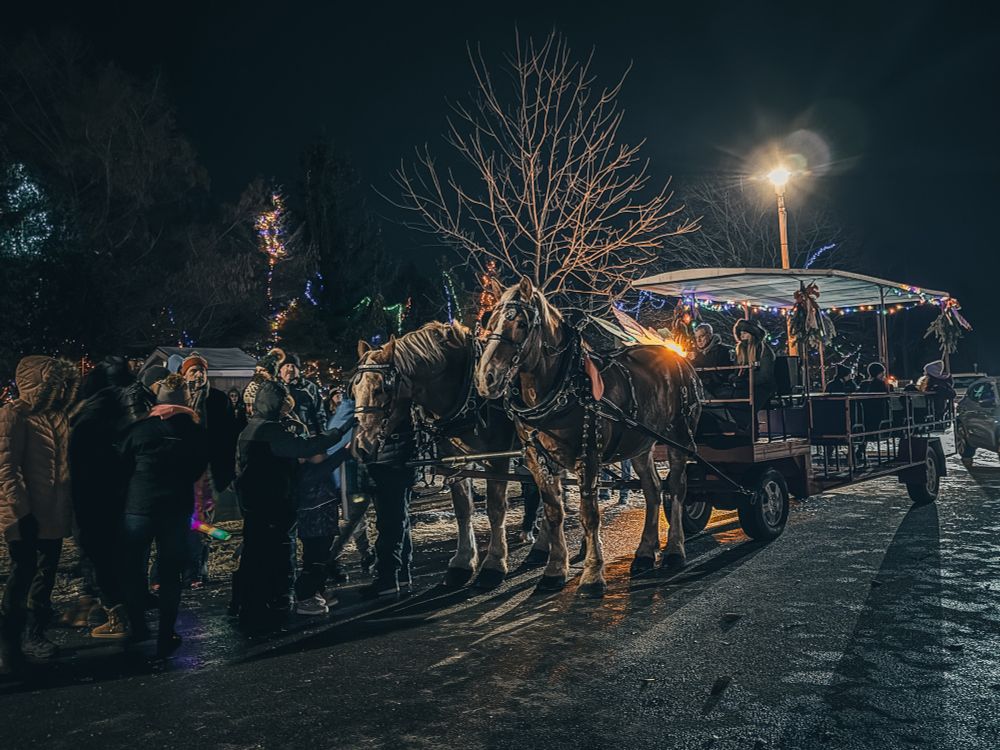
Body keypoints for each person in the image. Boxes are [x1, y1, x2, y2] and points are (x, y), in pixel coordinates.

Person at [233, 381, 353, 632]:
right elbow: (306, 447)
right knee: (269, 553)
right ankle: (264, 604)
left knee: (256, 552)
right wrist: (340, 431)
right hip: (272, 503)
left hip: (255, 502)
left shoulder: (251, 428)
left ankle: (250, 602)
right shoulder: (270, 431)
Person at [118, 375, 210, 657]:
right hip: (175, 508)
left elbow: (121, 463)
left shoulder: (139, 428)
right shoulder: (195, 431)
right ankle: (166, 632)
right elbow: (198, 468)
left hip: (139, 506)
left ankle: (137, 625)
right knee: (171, 572)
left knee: (133, 566)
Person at [0, 356, 79, 672]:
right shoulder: (13, 414)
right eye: (52, 381)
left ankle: (35, 634)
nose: (58, 387)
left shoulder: (57, 415)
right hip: (23, 515)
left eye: (61, 382)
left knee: (44, 576)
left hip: (52, 513)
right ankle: (10, 642)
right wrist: (22, 511)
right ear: (36, 382)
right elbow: (6, 469)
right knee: (22, 576)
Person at [68, 356, 154, 640]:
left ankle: (119, 617)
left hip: (95, 497)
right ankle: (133, 617)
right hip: (127, 496)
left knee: (100, 557)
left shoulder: (90, 415)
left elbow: (82, 464)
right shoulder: (132, 409)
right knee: (125, 559)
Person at [180, 353, 237, 587]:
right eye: (193, 370)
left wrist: (228, 469)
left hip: (208, 471)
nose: (198, 375)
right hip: (181, 471)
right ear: (184, 375)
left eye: (201, 370)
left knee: (202, 521)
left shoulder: (217, 399)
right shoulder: (178, 398)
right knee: (183, 520)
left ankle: (197, 569)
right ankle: (181, 567)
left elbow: (229, 436)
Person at [360, 424, 417, 598]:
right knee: (400, 520)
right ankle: (401, 573)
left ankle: (388, 577)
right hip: (398, 461)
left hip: (388, 464)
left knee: (390, 523)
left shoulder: (387, 422)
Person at [730, 319, 776, 433]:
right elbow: (736, 370)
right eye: (740, 333)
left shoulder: (764, 351)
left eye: (745, 333)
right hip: (744, 386)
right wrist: (734, 378)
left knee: (745, 402)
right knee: (730, 399)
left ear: (752, 334)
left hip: (763, 387)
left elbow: (765, 375)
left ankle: (749, 430)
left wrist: (747, 381)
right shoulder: (740, 350)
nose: (742, 336)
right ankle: (743, 428)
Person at [279, 353, 327, 437]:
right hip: (281, 435)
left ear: (298, 370)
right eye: (287, 365)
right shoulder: (274, 387)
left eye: (294, 366)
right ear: (280, 369)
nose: (290, 369)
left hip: (305, 436)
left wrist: (321, 435)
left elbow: (319, 413)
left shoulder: (309, 387)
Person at [690, 323, 734, 396]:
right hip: (702, 388)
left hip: (719, 388)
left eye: (701, 336)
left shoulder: (722, 351)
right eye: (696, 337)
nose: (698, 340)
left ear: (709, 335)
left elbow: (725, 372)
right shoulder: (697, 354)